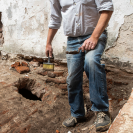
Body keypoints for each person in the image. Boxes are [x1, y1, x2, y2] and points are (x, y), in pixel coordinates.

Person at [45, 0, 113, 132]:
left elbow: (107, 8)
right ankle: (78, 113)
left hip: (95, 35)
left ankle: (102, 111)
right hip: (72, 40)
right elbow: (55, 18)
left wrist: (94, 37)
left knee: (91, 62)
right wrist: (48, 43)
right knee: (72, 78)